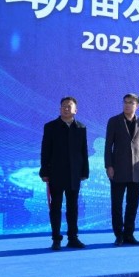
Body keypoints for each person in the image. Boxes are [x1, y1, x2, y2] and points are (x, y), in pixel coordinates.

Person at [39, 96, 89, 250]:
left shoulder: (81, 128)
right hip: (56, 173)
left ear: (75, 110)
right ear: (60, 109)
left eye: (69, 106)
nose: (66, 108)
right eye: (63, 106)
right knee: (56, 207)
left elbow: (84, 151)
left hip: (74, 174)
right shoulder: (51, 127)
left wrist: (85, 170)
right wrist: (44, 171)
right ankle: (56, 239)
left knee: (72, 207)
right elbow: (45, 150)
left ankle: (73, 238)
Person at [104, 93, 139, 246]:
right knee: (117, 204)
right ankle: (119, 235)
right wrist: (109, 166)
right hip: (118, 169)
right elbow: (108, 145)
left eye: (131, 103)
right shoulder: (114, 121)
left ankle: (129, 234)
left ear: (137, 106)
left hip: (137, 169)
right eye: (125, 102)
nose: (127, 105)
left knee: (133, 204)